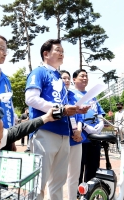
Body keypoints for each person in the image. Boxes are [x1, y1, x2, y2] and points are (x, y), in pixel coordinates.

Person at [25, 39, 89, 200]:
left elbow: (64, 106)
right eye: (58, 50)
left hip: (64, 134)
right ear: (46, 54)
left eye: (63, 51)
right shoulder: (39, 72)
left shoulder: (59, 78)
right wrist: (60, 109)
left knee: (58, 183)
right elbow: (31, 99)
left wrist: (77, 110)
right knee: (39, 183)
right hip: (45, 131)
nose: (62, 53)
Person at [71, 69, 105, 185]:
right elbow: (72, 115)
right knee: (78, 168)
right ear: (74, 79)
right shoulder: (72, 94)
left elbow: (99, 112)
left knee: (93, 166)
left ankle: (90, 191)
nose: (85, 78)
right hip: (81, 138)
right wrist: (85, 126)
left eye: (86, 76)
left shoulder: (93, 96)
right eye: (82, 76)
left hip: (95, 137)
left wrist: (100, 123)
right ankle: (77, 193)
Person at [60, 70, 85, 200]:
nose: (67, 80)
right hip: (61, 138)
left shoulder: (74, 96)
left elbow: (79, 117)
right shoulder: (56, 96)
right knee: (58, 176)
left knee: (74, 174)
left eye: (68, 78)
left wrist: (79, 130)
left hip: (76, 139)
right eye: (64, 78)